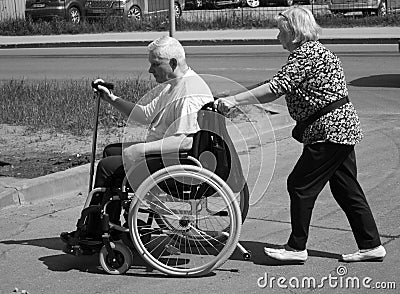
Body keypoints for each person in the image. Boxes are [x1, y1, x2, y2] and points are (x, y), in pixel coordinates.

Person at [215, 7, 385, 263]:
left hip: (328, 131)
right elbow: (276, 81)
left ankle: (296, 248)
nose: (277, 37)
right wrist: (234, 95)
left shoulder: (305, 55)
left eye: (280, 31)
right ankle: (371, 245)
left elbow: (275, 88)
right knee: (346, 188)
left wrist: (235, 101)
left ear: (293, 33)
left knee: (299, 184)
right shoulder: (316, 52)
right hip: (340, 129)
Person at [61, 36, 214, 244]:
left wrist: (141, 150)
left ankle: (96, 230)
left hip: (176, 163)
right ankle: (107, 223)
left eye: (154, 64)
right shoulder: (174, 85)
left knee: (107, 167)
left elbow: (185, 142)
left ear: (173, 63)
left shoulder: (188, 94)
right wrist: (111, 99)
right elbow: (144, 115)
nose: (150, 70)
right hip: (168, 156)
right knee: (110, 152)